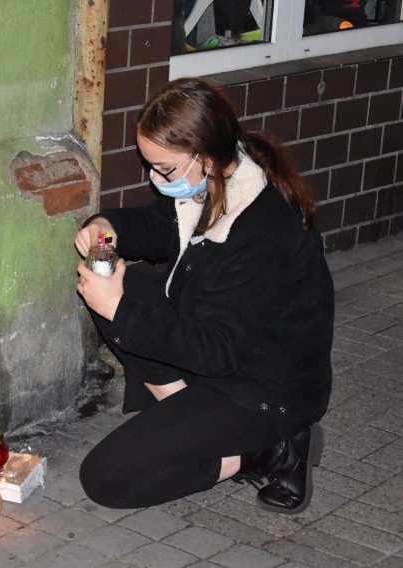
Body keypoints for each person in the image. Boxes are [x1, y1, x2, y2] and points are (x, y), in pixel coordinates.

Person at [76, 77, 333, 515]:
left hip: (263, 391)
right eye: (150, 166)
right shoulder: (213, 182)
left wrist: (117, 309)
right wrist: (108, 226)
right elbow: (160, 227)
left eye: (165, 169)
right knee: (125, 288)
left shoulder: (259, 231)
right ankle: (185, 414)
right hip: (223, 355)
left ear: (206, 156)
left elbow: (217, 352)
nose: (156, 180)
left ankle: (267, 450)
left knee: (105, 479)